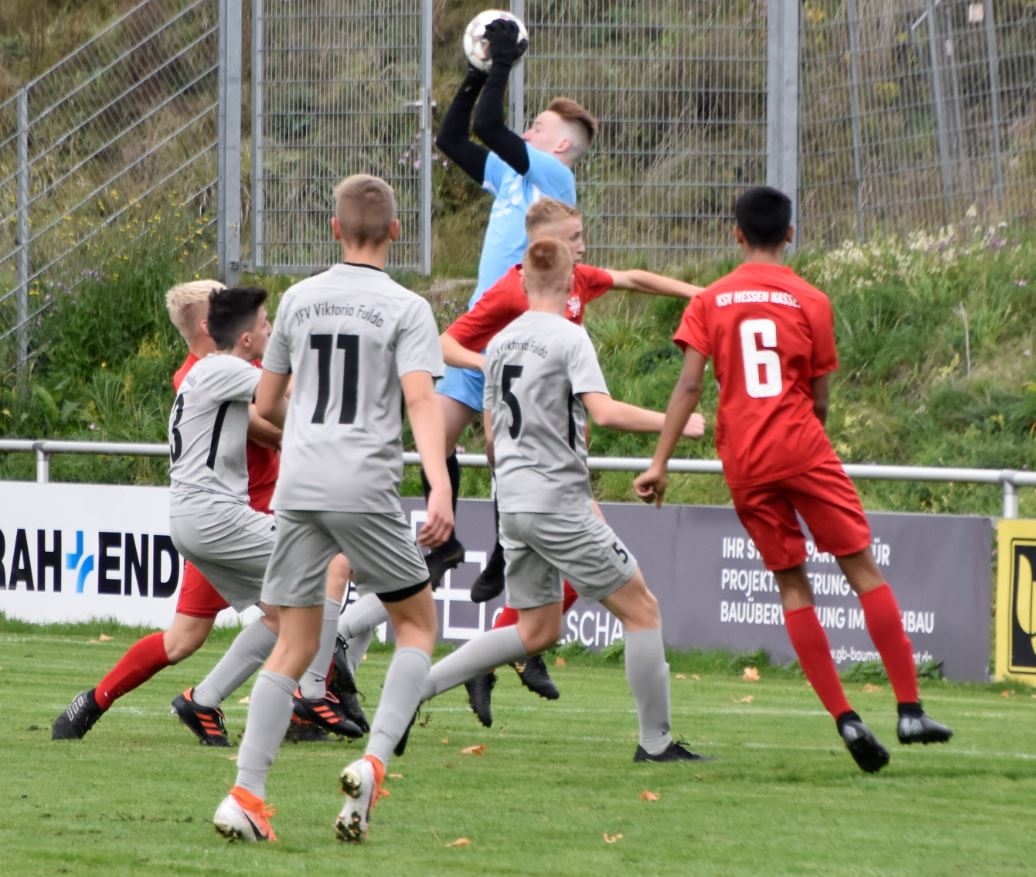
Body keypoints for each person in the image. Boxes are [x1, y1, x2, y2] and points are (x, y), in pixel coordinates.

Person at [633, 186, 953, 774]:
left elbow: (689, 387)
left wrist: (660, 462)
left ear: (736, 234)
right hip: (802, 448)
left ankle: (845, 716)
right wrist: (807, 447)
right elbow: (820, 399)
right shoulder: (811, 299)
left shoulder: (710, 300)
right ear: (790, 234)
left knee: (791, 584)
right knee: (862, 571)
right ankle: (910, 709)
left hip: (745, 460)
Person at [211, 174, 453, 845]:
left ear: (334, 229)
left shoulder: (298, 299)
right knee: (417, 625)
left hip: (299, 485)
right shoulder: (407, 307)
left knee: (292, 642)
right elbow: (420, 400)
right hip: (364, 484)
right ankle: (372, 762)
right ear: (397, 231)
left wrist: (311, 420)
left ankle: (246, 793)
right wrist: (438, 483)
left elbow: (265, 403)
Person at [413, 237, 706, 778]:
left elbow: (493, 436)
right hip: (557, 502)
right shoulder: (570, 337)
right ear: (572, 283)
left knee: (537, 631)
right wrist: (675, 423)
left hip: (513, 502)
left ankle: (416, 690)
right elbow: (605, 412)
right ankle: (656, 742)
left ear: (522, 281)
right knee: (642, 610)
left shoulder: (501, 344)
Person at [51, 282, 354, 745]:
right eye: (263, 324)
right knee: (332, 562)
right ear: (218, 327)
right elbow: (275, 411)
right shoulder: (221, 370)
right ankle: (313, 692)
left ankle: (180, 701)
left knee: (229, 628)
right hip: (224, 519)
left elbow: (280, 412)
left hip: (209, 518)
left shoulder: (205, 372)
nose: (267, 328)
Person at [424, 16, 597, 591]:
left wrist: (501, 64)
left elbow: (490, 126)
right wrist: (477, 73)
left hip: (522, 330)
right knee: (434, 437)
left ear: (561, 145)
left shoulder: (553, 179)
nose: (527, 129)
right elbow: (454, 139)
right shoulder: (510, 174)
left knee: (504, 450)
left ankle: (504, 547)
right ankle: (445, 543)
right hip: (480, 327)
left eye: (538, 125)